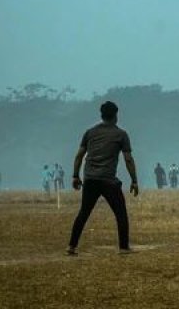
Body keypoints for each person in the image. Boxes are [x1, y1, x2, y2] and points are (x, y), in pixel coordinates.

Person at [67, 101, 139, 255]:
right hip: (108, 180)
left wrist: (75, 176)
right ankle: (124, 247)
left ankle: (71, 246)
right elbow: (128, 159)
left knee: (84, 212)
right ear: (115, 116)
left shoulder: (90, 132)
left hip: (90, 179)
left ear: (102, 115)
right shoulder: (121, 134)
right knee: (120, 213)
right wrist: (134, 180)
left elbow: (79, 155)